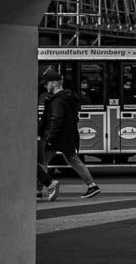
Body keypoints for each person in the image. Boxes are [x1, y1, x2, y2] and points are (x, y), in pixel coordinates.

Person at [39, 70, 99, 201]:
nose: (45, 86)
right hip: (69, 135)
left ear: (54, 83)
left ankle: (39, 190)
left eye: (47, 83)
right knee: (73, 159)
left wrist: (49, 137)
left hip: (56, 136)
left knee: (42, 162)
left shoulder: (57, 100)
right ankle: (92, 185)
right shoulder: (70, 97)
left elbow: (56, 119)